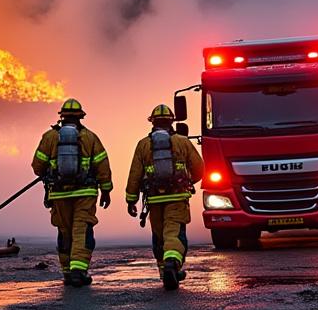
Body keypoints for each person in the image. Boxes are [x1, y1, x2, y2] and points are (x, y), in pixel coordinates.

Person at [31, 99, 113, 286]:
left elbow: (37, 166)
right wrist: (106, 190)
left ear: (62, 117)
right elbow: (102, 166)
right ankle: (78, 270)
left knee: (64, 231)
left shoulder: (50, 137)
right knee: (81, 230)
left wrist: (50, 173)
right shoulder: (90, 137)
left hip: (59, 194)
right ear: (80, 117)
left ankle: (67, 272)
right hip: (85, 193)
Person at [125, 104, 204, 290]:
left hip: (154, 200)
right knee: (174, 233)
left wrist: (131, 200)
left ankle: (165, 272)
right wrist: (189, 181)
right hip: (177, 197)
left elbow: (134, 175)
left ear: (152, 122)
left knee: (160, 236)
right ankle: (172, 264)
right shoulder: (182, 142)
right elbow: (199, 168)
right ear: (172, 121)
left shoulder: (143, 145)